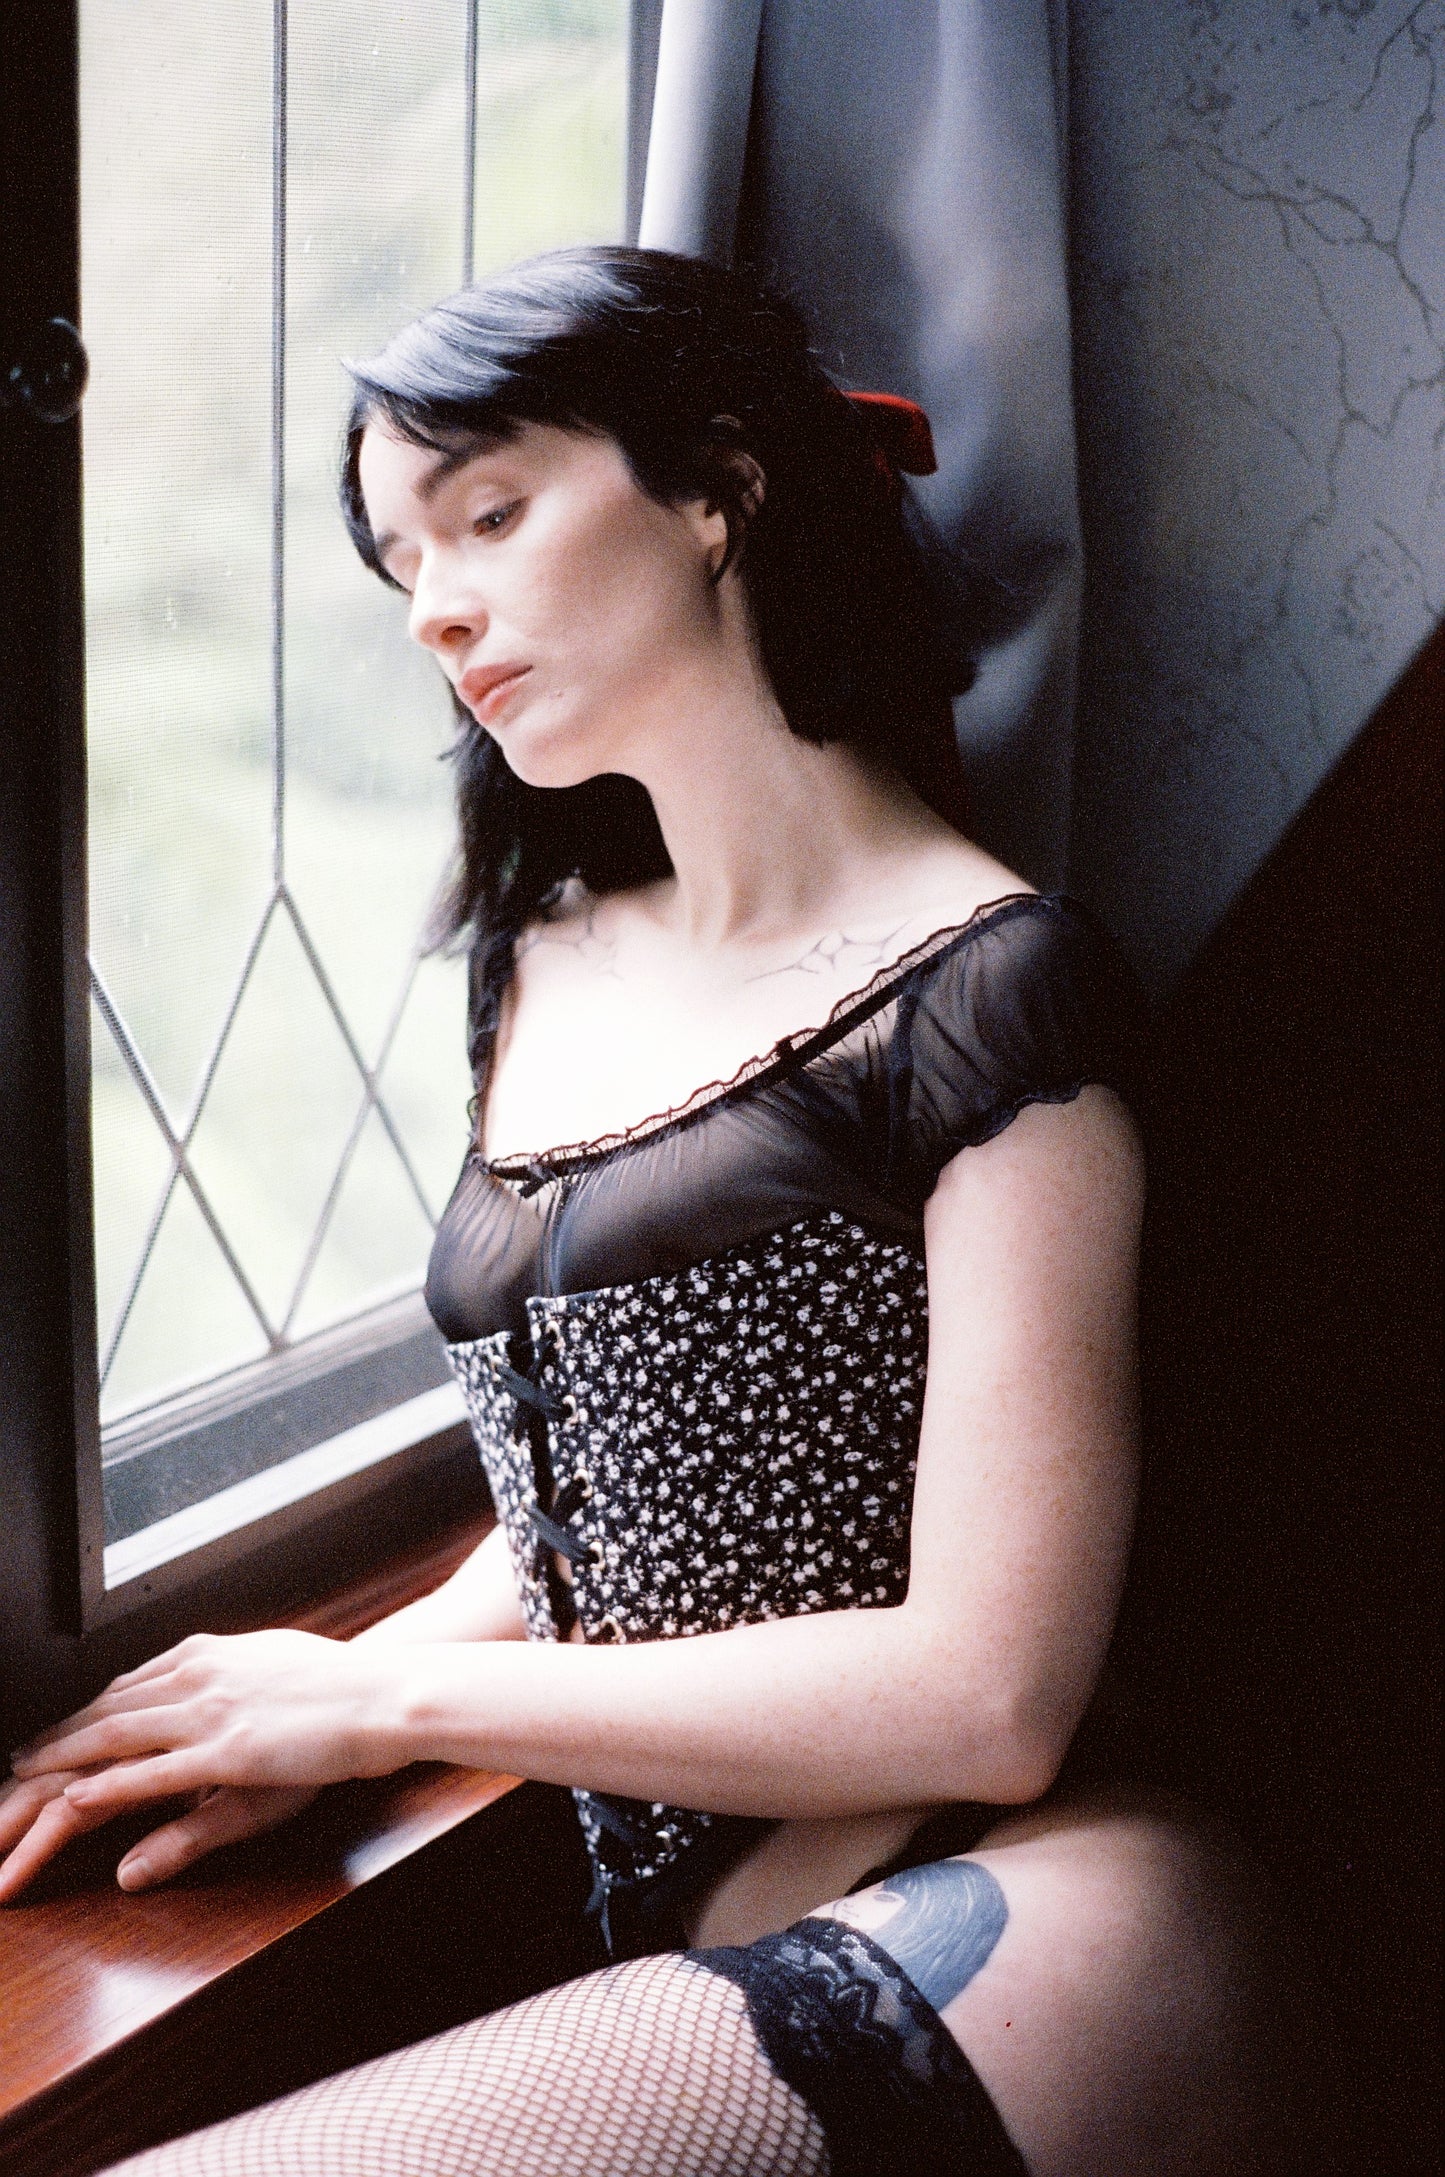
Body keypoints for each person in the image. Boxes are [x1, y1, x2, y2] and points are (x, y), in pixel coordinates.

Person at [0, 248, 1301, 2175]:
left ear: (719, 492)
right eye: (399, 561)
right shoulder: (537, 959)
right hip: (712, 1943)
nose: (435, 606)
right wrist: (319, 1691)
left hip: (1046, 1908)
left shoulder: (993, 990)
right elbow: (612, 1501)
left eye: (489, 515)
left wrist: (378, 1701)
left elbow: (991, 1694)